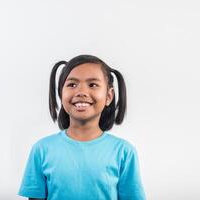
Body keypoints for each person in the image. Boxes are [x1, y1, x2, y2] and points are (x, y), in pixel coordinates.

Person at [17, 54, 146, 200]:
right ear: (61, 93)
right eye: (72, 84)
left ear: (109, 96)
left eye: (93, 85)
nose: (81, 92)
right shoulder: (41, 149)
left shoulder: (123, 152)